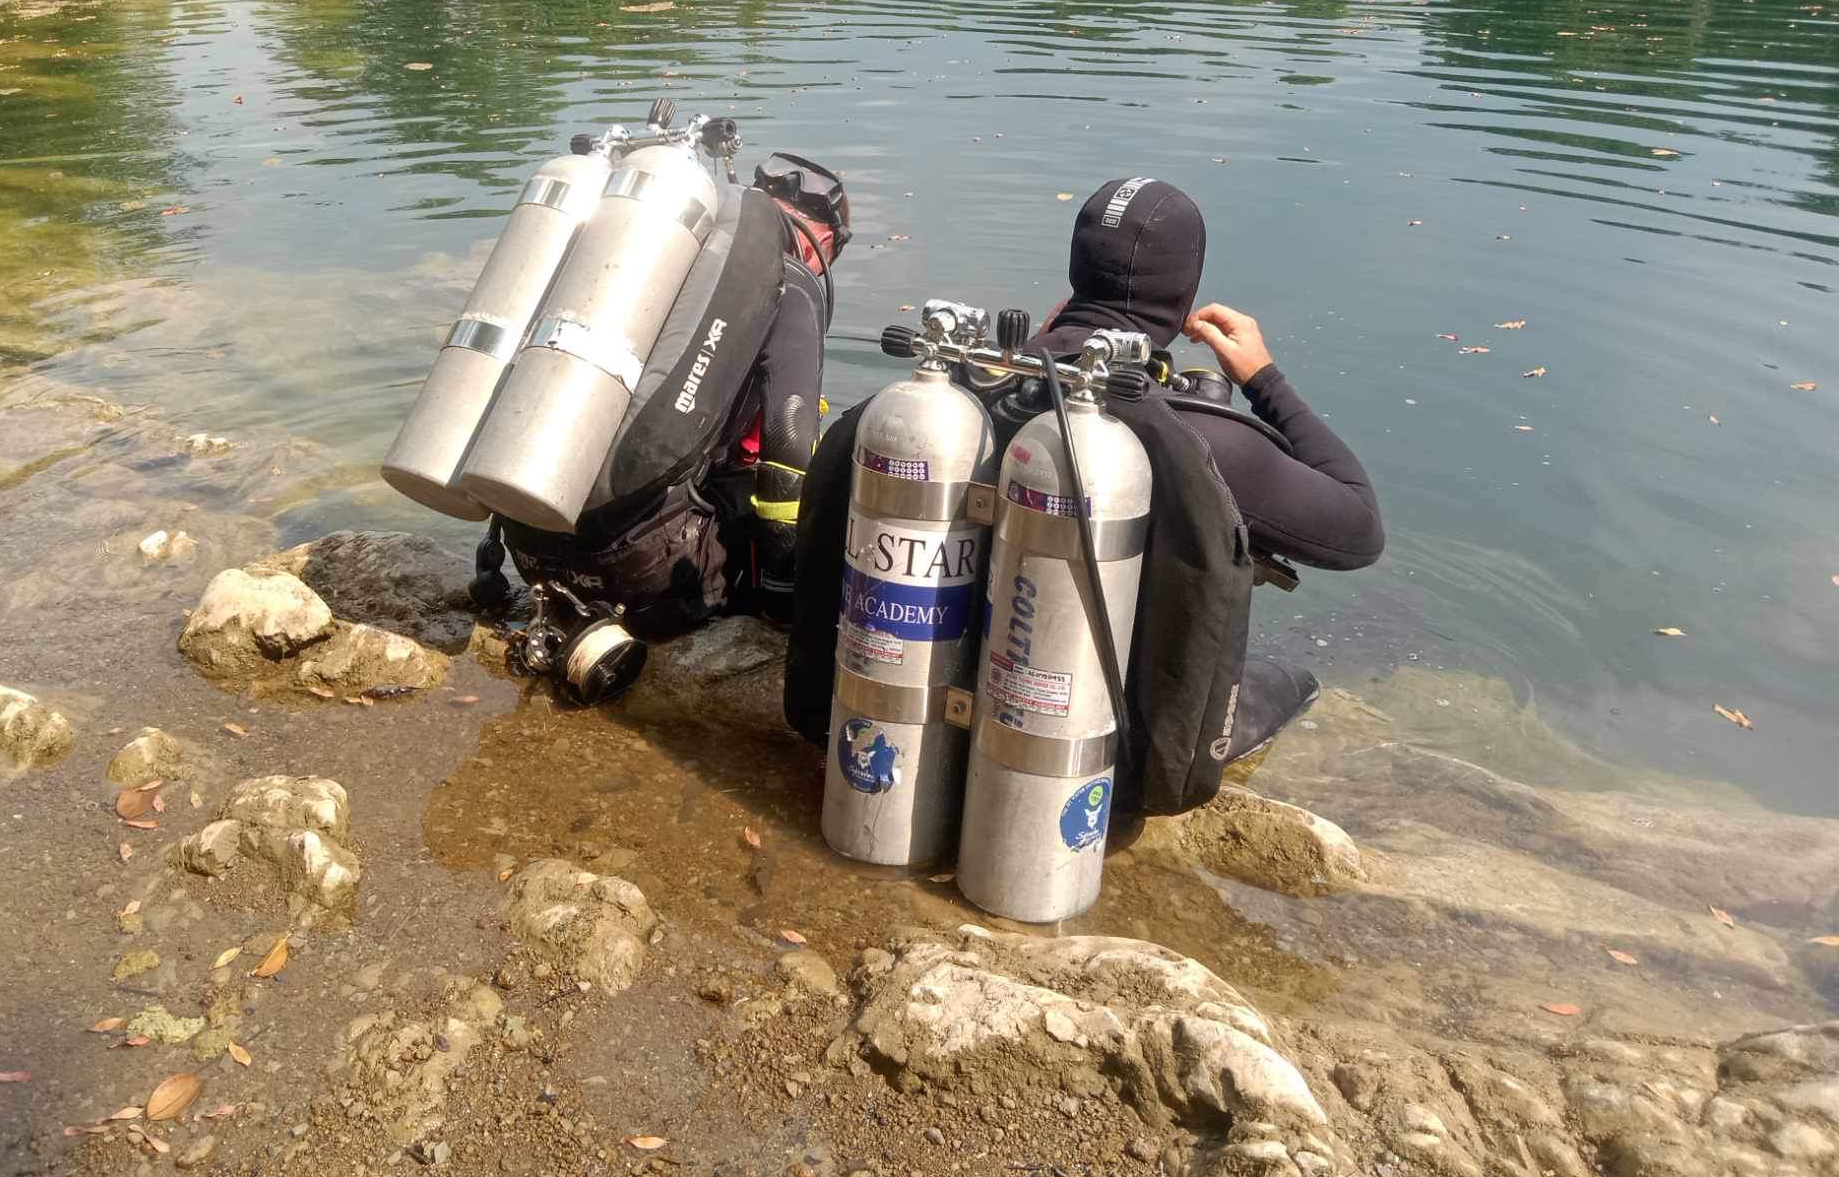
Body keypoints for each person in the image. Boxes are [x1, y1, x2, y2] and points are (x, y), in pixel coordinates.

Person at [786, 176, 1383, 812]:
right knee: (1292, 680)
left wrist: (1055, 334)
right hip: (1085, 748)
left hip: (918, 699)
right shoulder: (1201, 439)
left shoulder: (969, 392)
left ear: (1076, 272)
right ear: (1185, 302)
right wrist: (1264, 378)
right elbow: (1359, 527)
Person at [486, 153, 850, 648]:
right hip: (645, 582)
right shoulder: (789, 281)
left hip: (528, 548)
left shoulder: (668, 255)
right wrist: (784, 598)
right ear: (823, 236)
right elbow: (788, 438)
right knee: (829, 493)